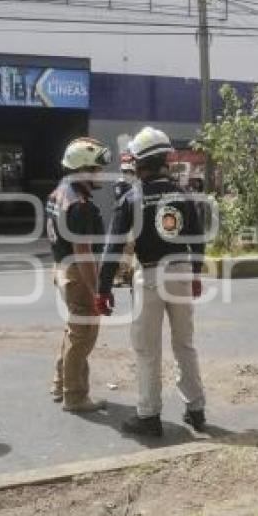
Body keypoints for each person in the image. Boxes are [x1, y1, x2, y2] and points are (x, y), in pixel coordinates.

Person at [96, 127, 207, 437]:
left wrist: (103, 289)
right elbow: (198, 239)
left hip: (151, 275)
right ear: (165, 160)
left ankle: (149, 416)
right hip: (182, 270)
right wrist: (195, 273)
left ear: (139, 163)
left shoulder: (132, 198)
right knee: (185, 343)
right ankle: (196, 410)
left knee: (148, 349)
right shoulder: (184, 194)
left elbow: (114, 246)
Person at [46, 137, 110, 413]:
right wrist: (98, 290)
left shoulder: (59, 192)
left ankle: (60, 383)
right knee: (83, 334)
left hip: (61, 267)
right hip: (76, 272)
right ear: (83, 170)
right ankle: (75, 396)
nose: (101, 174)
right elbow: (83, 252)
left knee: (74, 330)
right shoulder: (79, 205)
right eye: (97, 168)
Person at [112, 153, 138, 288]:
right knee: (126, 249)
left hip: (134, 220)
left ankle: (126, 274)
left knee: (130, 248)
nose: (128, 173)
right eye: (126, 171)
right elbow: (122, 201)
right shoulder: (121, 184)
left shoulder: (133, 182)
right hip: (125, 220)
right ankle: (119, 276)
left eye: (130, 171)